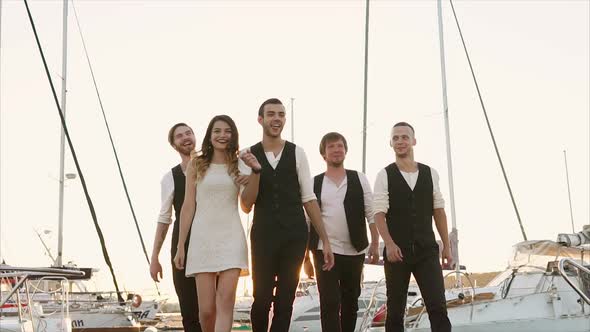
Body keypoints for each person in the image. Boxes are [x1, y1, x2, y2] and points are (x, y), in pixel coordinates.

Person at [239, 98, 335, 332]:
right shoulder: (247, 155)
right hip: (263, 234)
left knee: (285, 300)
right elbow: (246, 204)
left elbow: (309, 199)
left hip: (294, 234)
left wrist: (325, 240)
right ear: (260, 119)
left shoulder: (297, 153)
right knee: (261, 298)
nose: (277, 119)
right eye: (271, 114)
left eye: (281, 114)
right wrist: (255, 171)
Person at [373, 122, 452, 332]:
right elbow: (379, 214)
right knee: (396, 310)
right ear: (390, 143)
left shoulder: (430, 173)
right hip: (396, 252)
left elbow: (439, 211)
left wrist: (447, 246)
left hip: (427, 250)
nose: (400, 141)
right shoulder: (384, 175)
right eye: (396, 138)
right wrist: (389, 244)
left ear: (413, 141)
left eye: (404, 137)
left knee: (437, 306)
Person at [174, 115, 249, 332]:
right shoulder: (196, 164)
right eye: (217, 131)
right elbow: (188, 206)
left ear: (233, 135)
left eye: (227, 131)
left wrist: (253, 176)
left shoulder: (240, 163)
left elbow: (246, 205)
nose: (222, 135)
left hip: (231, 238)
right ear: (210, 135)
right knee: (206, 311)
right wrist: (181, 245)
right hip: (201, 239)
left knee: (225, 304)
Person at [309, 132, 380, 332]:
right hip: (324, 250)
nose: (336, 150)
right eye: (331, 147)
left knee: (351, 302)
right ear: (323, 154)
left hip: (355, 250)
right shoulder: (314, 182)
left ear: (345, 151)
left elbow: (371, 212)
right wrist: (306, 256)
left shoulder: (359, 178)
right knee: (329, 301)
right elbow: (308, 219)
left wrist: (375, 243)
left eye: (340, 146)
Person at [150, 123, 201, 332]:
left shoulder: (213, 166)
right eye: (179, 136)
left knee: (213, 309)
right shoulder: (169, 177)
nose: (185, 138)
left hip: (214, 242)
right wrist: (155, 257)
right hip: (183, 247)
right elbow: (164, 218)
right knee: (189, 312)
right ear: (173, 145)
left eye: (188, 133)